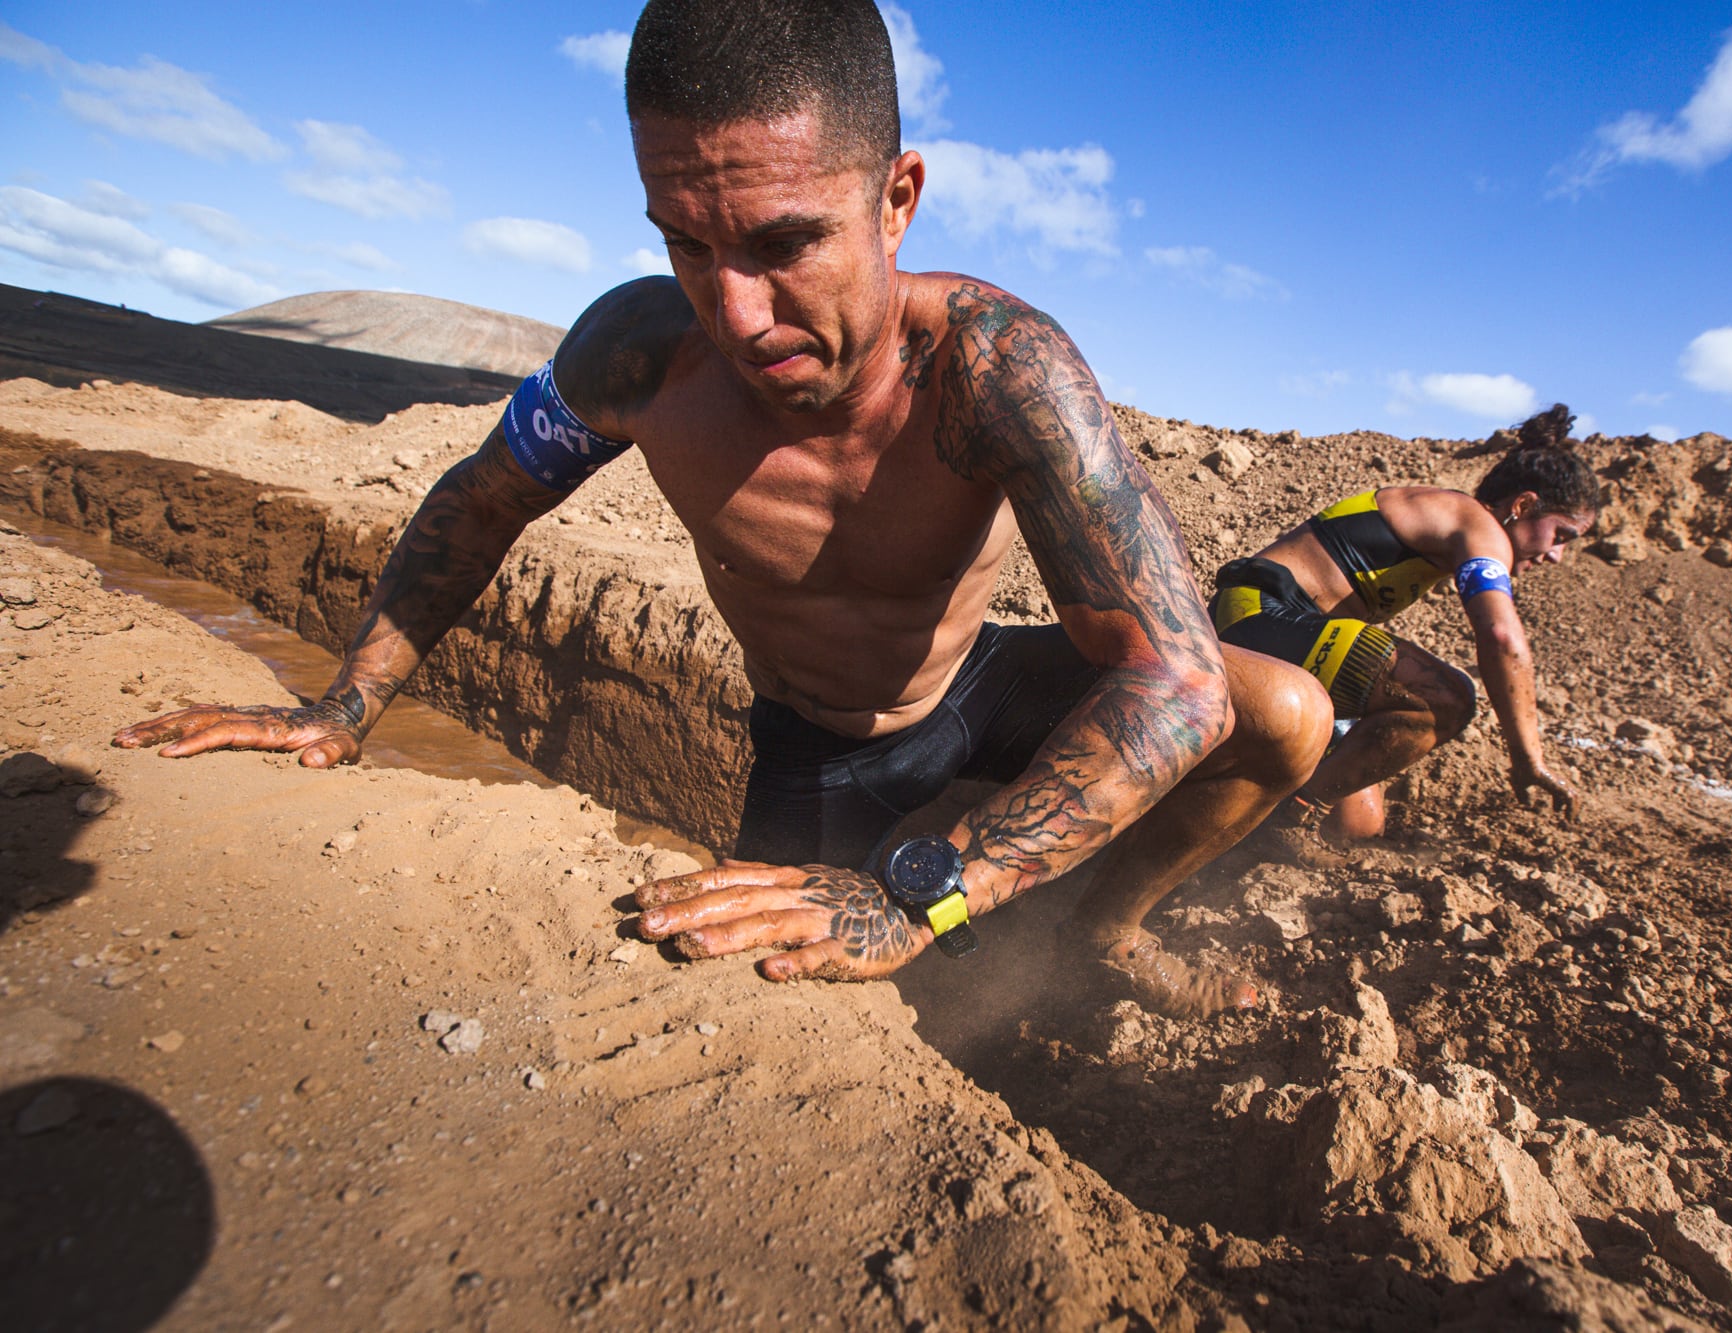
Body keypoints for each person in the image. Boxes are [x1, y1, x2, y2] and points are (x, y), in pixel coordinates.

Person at [113, 0, 1332, 1019]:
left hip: (974, 683)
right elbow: (479, 502)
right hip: (817, 748)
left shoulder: (995, 371)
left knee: (1284, 709)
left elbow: (1174, 680)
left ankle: (1104, 931)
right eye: (687, 244)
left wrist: (929, 885)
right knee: (782, 1001)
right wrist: (345, 704)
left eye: (783, 241)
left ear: (896, 200)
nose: (736, 311)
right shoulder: (639, 356)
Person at [1213, 406, 1602, 866]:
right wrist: (1527, 760)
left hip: (1281, 631)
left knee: (1357, 824)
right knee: (1443, 697)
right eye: (1562, 534)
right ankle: (1283, 819)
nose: (1557, 555)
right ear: (1523, 505)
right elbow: (1501, 637)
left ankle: (1239, 809)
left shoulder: (1447, 520)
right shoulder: (1478, 523)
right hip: (1257, 617)